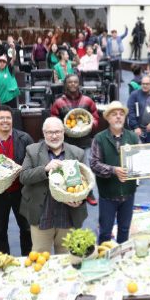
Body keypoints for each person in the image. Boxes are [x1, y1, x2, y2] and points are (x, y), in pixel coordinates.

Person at [91, 101, 150, 243]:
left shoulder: (133, 137)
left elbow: (144, 160)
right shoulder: (99, 138)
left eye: (121, 114)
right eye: (114, 114)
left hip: (128, 193)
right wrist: (113, 170)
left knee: (124, 230)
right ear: (107, 118)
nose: (118, 117)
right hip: (108, 195)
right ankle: (104, 261)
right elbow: (94, 164)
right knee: (105, 231)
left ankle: (121, 257)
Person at [19, 117, 88, 254]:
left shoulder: (77, 153)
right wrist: (44, 169)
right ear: (44, 133)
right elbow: (23, 177)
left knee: (66, 257)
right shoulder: (32, 151)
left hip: (67, 215)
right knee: (40, 255)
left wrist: (80, 200)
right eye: (50, 132)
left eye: (57, 132)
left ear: (63, 132)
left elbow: (85, 183)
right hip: (42, 215)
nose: (54, 136)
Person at [0, 105, 33, 255]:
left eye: (8, 118)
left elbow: (34, 162)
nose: (5, 121)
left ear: (12, 119)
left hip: (21, 192)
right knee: (0, 231)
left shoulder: (24, 138)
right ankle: (3, 260)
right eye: (1, 118)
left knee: (26, 228)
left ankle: (27, 258)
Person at [50, 74, 101, 205]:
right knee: (70, 169)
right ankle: (73, 193)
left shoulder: (88, 100)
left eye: (75, 82)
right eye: (70, 82)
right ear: (66, 85)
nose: (73, 84)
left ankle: (89, 192)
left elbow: (95, 119)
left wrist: (90, 126)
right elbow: (53, 121)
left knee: (87, 168)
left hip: (85, 140)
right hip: (67, 142)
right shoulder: (58, 102)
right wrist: (63, 128)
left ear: (79, 84)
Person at [126, 75, 150, 144]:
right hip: (137, 130)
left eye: (147, 84)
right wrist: (135, 127)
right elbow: (130, 112)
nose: (144, 86)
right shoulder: (134, 95)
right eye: (143, 84)